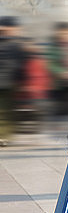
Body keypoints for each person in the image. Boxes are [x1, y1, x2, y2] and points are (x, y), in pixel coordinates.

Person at [0, 16, 26, 146]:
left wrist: (22, 81)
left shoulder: (16, 44)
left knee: (8, 111)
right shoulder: (14, 44)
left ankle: (4, 136)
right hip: (7, 81)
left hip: (10, 83)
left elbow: (21, 64)